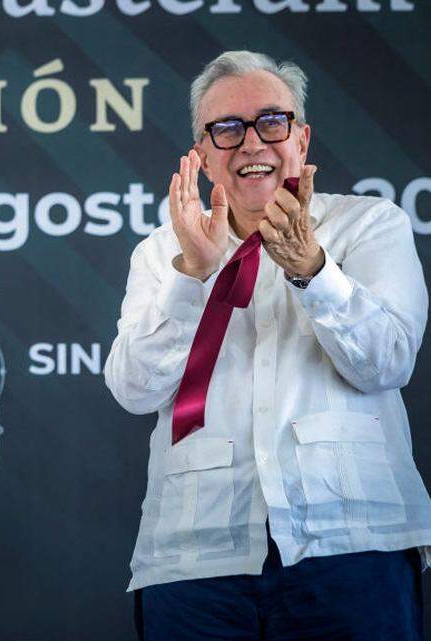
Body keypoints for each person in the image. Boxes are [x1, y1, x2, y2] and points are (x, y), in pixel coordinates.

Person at [104, 50, 430, 640]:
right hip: (195, 558)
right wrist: (191, 278)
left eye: (271, 123)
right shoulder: (162, 252)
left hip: (352, 548)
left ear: (300, 140)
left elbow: (388, 363)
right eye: (226, 130)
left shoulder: (370, 226)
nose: (251, 144)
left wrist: (313, 271)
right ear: (202, 157)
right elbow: (132, 389)